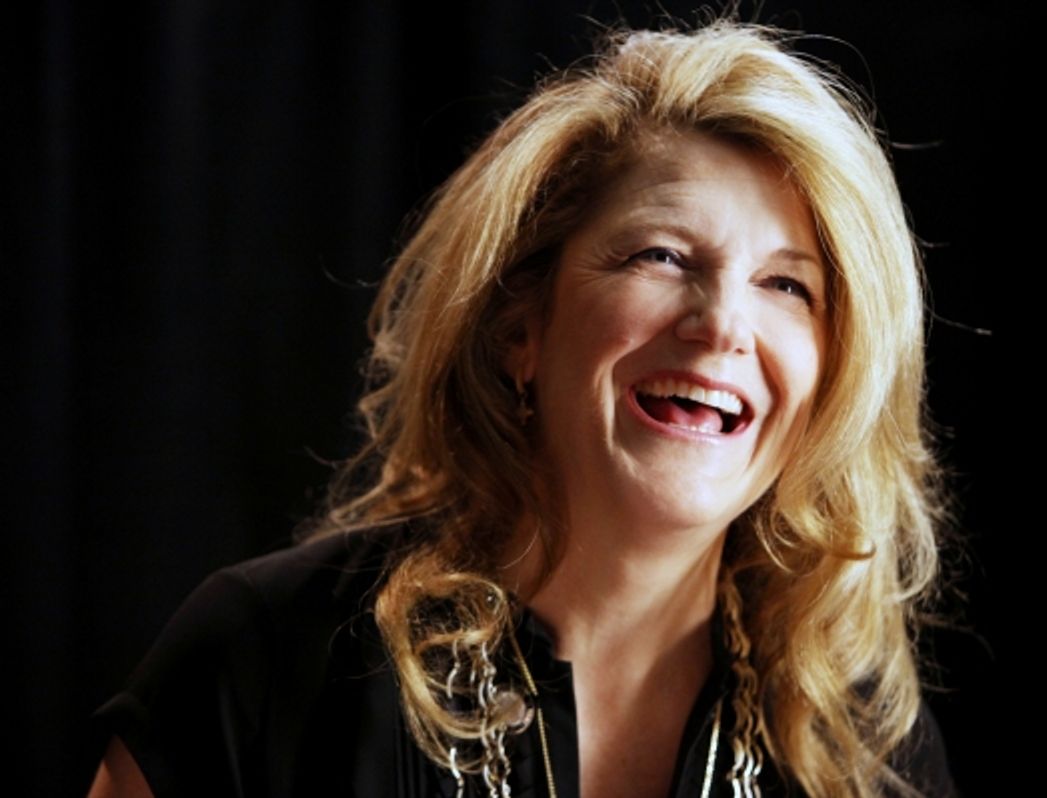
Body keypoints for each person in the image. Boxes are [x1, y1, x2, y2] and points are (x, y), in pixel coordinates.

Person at [88, 21, 956, 798]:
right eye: (660, 255)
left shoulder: (860, 742)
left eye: (786, 285)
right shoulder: (267, 657)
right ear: (519, 329)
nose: (724, 323)